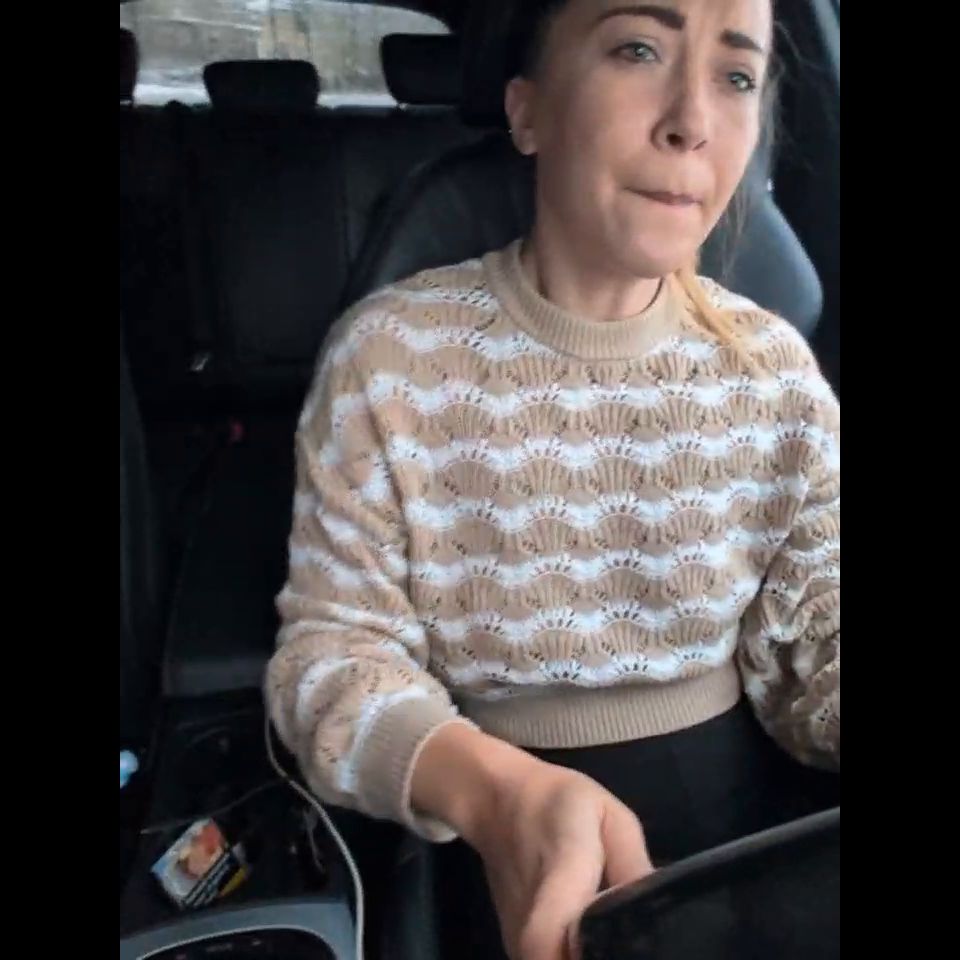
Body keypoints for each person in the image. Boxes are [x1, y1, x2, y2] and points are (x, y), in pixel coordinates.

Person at [266, 1, 840, 957]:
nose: (692, 120)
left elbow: (819, 628)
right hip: (487, 825)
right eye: (638, 49)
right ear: (526, 111)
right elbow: (331, 656)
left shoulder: (772, 370)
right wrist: (491, 793)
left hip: (746, 841)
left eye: (736, 76)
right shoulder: (391, 358)